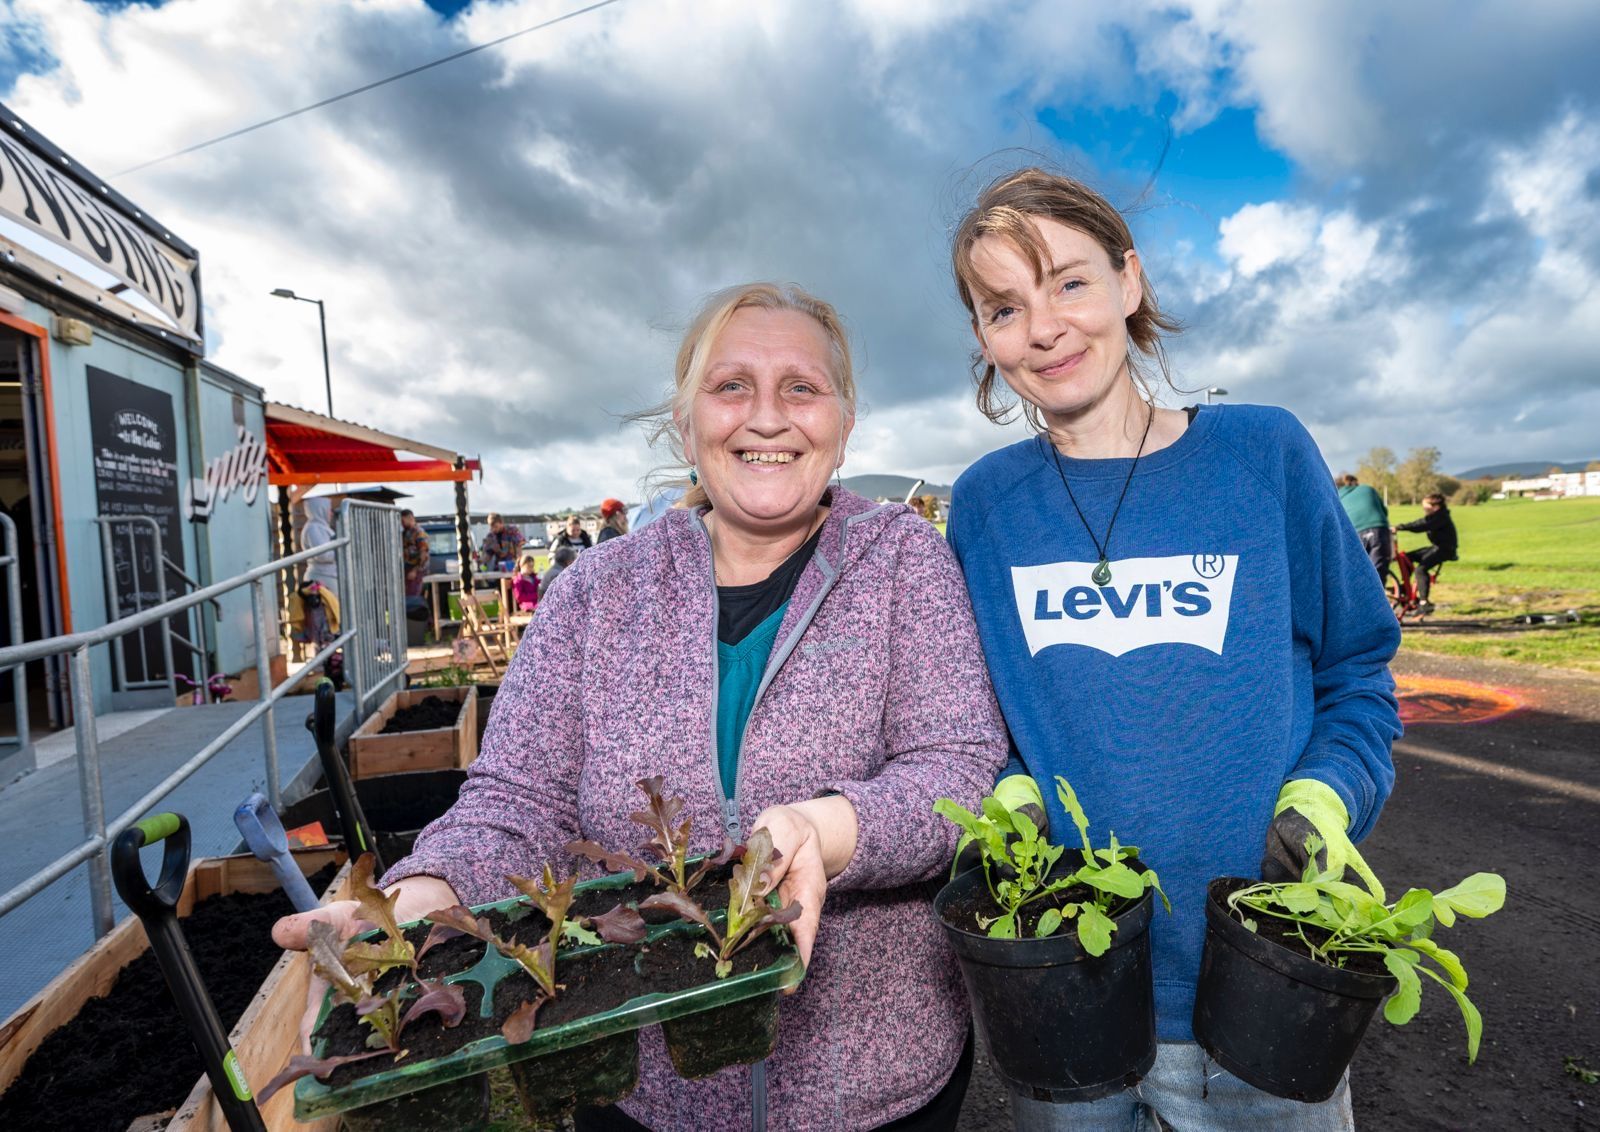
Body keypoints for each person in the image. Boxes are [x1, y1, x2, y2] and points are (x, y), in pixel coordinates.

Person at [274, 281, 1006, 1131]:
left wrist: (828, 828)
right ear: (686, 423)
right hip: (650, 1090)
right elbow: (518, 798)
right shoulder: (598, 593)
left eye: (802, 388)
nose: (767, 416)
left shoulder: (903, 561)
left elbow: (957, 774)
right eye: (732, 386)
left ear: (843, 425)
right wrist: (427, 894)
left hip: (876, 1085)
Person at [943, 168, 1402, 1131]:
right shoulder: (986, 506)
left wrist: (1329, 794)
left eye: (1070, 282)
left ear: (1130, 280)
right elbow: (977, 720)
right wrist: (1009, 797)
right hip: (1066, 989)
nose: (1044, 328)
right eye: (1004, 307)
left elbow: (1357, 670)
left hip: (1266, 985)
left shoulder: (1264, 456)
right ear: (983, 337)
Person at [1393, 492, 1458, 611]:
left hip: (1445, 549)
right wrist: (1398, 527)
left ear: (1436, 507)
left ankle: (1424, 602)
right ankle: (1405, 588)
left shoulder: (1441, 517)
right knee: (1406, 557)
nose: (1423, 508)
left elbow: (1422, 527)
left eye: (1425, 506)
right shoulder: (1434, 516)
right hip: (1436, 547)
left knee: (1421, 569)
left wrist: (1401, 528)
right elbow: (1419, 522)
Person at [1336, 474, 1391, 575]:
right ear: (1356, 482)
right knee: (1379, 570)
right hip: (1378, 529)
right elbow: (1384, 511)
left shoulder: (1339, 496)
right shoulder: (1368, 489)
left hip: (1356, 532)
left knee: (1358, 571)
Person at [299, 496, 339, 600]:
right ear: (320, 509)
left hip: (327, 576)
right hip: (322, 577)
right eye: (329, 509)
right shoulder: (313, 528)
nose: (331, 513)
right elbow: (322, 555)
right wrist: (340, 552)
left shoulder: (320, 527)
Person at [400, 508, 430, 598]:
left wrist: (415, 571)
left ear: (409, 518)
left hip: (415, 570)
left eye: (402, 520)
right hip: (407, 569)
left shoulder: (419, 533)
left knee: (412, 597)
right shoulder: (406, 532)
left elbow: (424, 554)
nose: (401, 523)